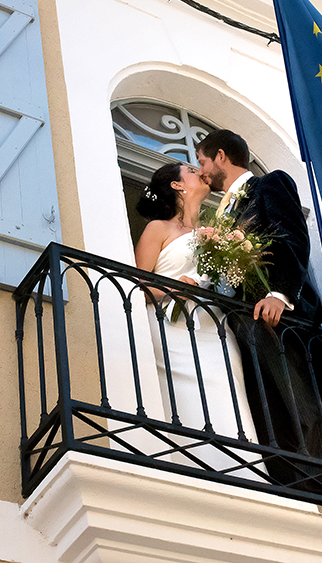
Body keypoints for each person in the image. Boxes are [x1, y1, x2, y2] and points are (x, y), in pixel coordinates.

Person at [195, 129, 322, 495]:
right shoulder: (222, 212)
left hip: (278, 317)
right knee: (267, 405)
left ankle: (319, 487)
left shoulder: (268, 185)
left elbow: (291, 236)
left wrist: (280, 293)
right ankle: (284, 480)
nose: (202, 171)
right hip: (242, 322)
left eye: (203, 161)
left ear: (222, 156)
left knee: (298, 402)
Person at [133, 162, 260, 464]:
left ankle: (239, 469)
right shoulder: (158, 228)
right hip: (172, 328)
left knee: (227, 390)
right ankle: (185, 463)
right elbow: (137, 286)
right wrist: (174, 286)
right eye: (190, 169)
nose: (199, 171)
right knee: (185, 401)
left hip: (214, 327)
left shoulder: (216, 232)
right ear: (177, 185)